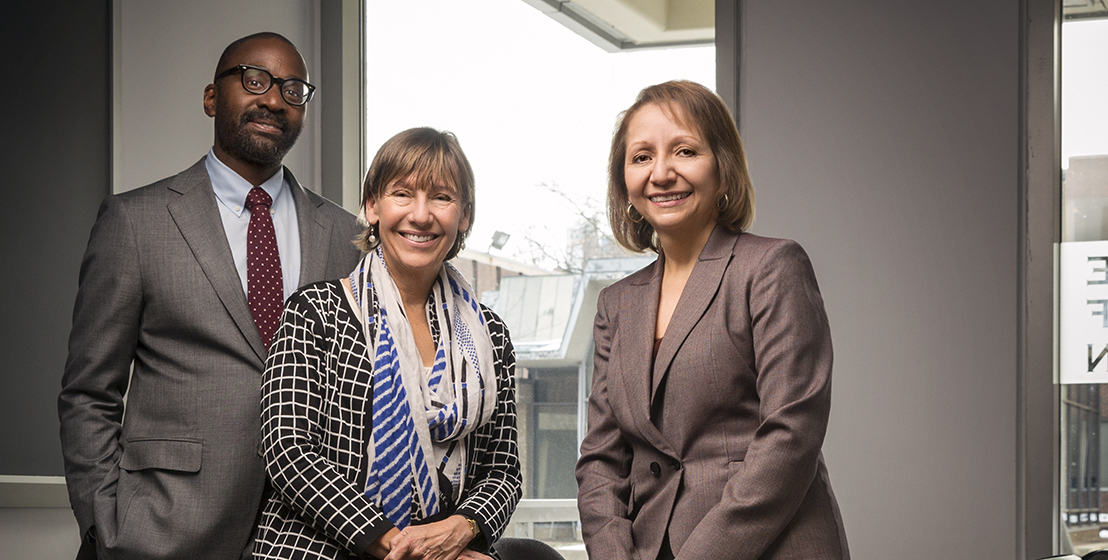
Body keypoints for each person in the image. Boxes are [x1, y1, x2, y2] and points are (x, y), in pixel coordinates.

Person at [58, 32, 362, 559]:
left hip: (306, 538)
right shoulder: (135, 221)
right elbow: (89, 392)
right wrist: (105, 524)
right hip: (162, 532)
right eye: (254, 80)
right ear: (211, 97)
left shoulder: (344, 235)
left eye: (292, 89)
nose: (273, 99)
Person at [575, 80, 850, 560]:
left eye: (684, 151)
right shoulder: (615, 304)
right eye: (641, 157)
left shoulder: (771, 267)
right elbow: (601, 459)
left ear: (722, 168)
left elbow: (791, 435)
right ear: (624, 181)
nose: (661, 173)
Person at [254, 127, 521, 560]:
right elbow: (288, 451)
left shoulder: (488, 336)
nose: (421, 215)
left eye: (442, 197)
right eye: (402, 194)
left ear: (464, 216)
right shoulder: (315, 311)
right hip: (317, 550)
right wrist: (403, 548)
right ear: (372, 206)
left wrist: (460, 529)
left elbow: (503, 471)